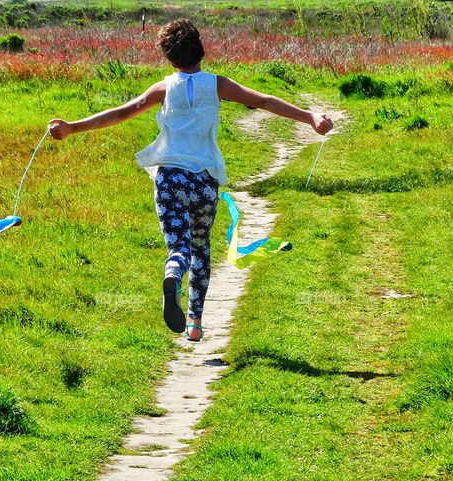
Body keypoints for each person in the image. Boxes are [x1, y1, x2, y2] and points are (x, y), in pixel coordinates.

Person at [48, 19, 333, 342]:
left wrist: (73, 126)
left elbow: (122, 112)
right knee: (201, 249)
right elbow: (265, 100)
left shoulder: (164, 88)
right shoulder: (218, 85)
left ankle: (172, 273)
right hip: (204, 182)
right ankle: (195, 323)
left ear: (169, 58)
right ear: (202, 50)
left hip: (169, 178)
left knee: (178, 248)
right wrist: (309, 117)